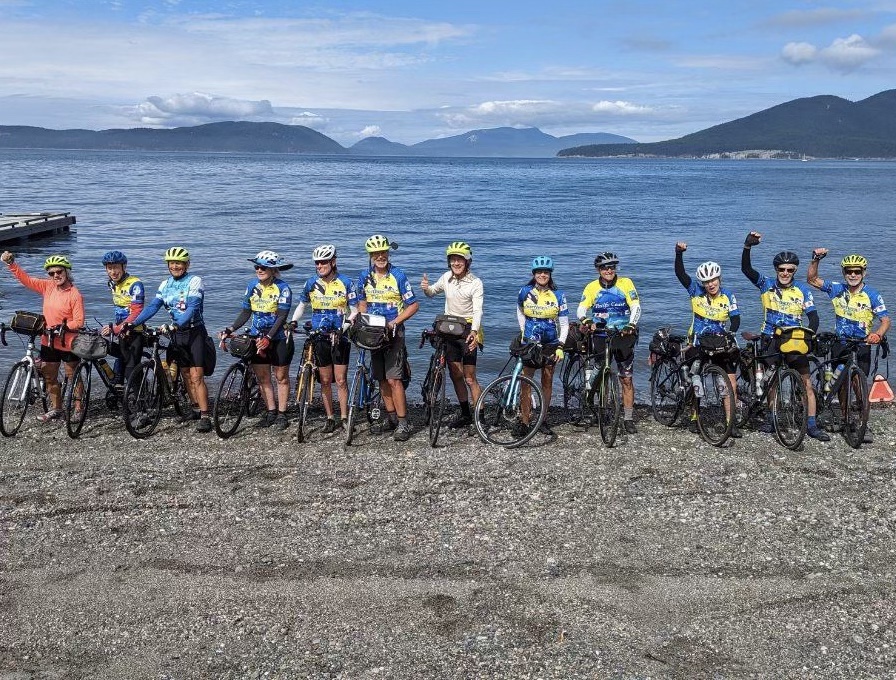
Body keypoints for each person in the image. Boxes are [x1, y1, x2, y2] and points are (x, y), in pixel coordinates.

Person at [741, 231, 830, 441]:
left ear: (795, 270)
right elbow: (746, 269)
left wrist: (810, 335)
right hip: (770, 338)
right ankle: (772, 420)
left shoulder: (802, 290)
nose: (785, 273)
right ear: (776, 270)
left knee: (806, 383)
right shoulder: (766, 285)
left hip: (795, 339)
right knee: (772, 381)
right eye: (782, 269)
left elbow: (814, 317)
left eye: (790, 270)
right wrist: (748, 247)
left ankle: (811, 424)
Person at [807, 250, 890, 443]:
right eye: (849, 271)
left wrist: (877, 334)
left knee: (858, 384)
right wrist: (816, 259)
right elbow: (812, 279)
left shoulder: (872, 294)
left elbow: (885, 320)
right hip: (840, 344)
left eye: (857, 272)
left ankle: (862, 422)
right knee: (842, 384)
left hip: (862, 344)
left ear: (864, 273)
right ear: (844, 273)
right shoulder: (838, 289)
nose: (853, 275)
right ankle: (846, 420)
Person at [129, 247, 213, 433]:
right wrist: (133, 323)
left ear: (186, 264)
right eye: (172, 263)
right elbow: (152, 307)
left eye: (179, 263)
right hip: (177, 335)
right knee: (184, 374)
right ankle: (195, 408)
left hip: (194, 333)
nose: (175, 266)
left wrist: (176, 325)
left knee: (196, 376)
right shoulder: (164, 285)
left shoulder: (194, 281)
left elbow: (192, 308)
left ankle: (206, 415)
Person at [1, 251, 84, 422]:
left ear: (67, 272)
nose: (55, 276)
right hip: (49, 341)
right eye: (51, 273)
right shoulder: (47, 287)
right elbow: (27, 280)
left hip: (68, 342)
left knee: (72, 375)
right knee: (49, 376)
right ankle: (57, 409)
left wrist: (63, 327)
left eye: (59, 272)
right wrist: (11, 265)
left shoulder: (74, 293)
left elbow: (79, 321)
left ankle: (78, 408)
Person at [355, 234, 419, 442]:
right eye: (376, 253)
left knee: (394, 379)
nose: (380, 256)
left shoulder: (398, 276)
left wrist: (395, 322)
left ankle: (403, 422)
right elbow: (361, 302)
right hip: (372, 334)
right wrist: (361, 320)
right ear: (371, 256)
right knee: (380, 378)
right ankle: (390, 418)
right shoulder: (364, 276)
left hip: (393, 334)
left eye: (383, 252)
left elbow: (413, 305)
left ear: (388, 253)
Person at [221, 250, 294, 430]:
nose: (259, 270)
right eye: (257, 266)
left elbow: (282, 317)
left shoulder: (283, 288)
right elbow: (246, 312)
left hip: (277, 338)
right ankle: (271, 411)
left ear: (273, 269)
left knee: (281, 377)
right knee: (263, 377)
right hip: (256, 337)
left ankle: (282, 414)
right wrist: (230, 329)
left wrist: (269, 337)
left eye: (263, 267)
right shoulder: (252, 285)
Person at [674, 242, 742, 437]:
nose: (710, 284)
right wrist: (678, 253)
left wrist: (733, 332)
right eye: (707, 282)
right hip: (697, 340)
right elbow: (680, 274)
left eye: (713, 280)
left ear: (719, 278)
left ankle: (731, 421)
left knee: (730, 383)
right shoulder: (695, 290)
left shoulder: (728, 295)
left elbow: (735, 318)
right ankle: (695, 416)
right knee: (696, 381)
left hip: (721, 341)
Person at [291, 244, 357, 433]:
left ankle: (344, 417)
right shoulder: (311, 283)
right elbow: (302, 305)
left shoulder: (345, 282)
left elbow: (354, 312)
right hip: (319, 336)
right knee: (326, 380)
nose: (319, 266)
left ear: (333, 262)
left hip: (340, 336)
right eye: (317, 263)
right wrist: (293, 322)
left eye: (323, 262)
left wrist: (342, 328)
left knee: (341, 380)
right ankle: (330, 417)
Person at [420, 241, 484, 429]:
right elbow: (432, 293)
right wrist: (425, 287)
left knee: (469, 377)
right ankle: (465, 414)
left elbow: (478, 310)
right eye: (453, 260)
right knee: (456, 375)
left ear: (467, 262)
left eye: (460, 260)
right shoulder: (446, 277)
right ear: (449, 262)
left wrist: (474, 331)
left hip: (468, 329)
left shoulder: (475, 282)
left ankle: (479, 417)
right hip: (449, 329)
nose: (456, 263)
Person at [577, 252, 641, 434]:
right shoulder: (591, 287)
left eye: (612, 267)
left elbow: (636, 306)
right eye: (605, 267)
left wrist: (632, 324)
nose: (609, 270)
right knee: (599, 370)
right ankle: (592, 398)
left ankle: (628, 418)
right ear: (598, 269)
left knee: (626, 378)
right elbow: (581, 309)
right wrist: (586, 321)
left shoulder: (625, 283)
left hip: (623, 334)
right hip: (600, 334)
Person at [516, 256, 568, 435]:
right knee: (526, 382)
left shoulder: (559, 295)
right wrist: (524, 331)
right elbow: (520, 311)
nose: (542, 275)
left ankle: (543, 420)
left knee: (547, 381)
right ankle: (524, 421)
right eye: (539, 272)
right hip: (530, 342)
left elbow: (565, 324)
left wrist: (561, 346)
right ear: (534, 274)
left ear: (550, 274)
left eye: (546, 272)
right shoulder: (525, 291)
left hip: (551, 343)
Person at [99, 250, 145, 387]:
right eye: (110, 268)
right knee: (107, 349)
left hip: (134, 331)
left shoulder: (135, 284)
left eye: (116, 267)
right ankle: (118, 386)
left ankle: (140, 403)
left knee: (131, 370)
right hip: (121, 331)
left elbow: (137, 311)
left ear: (124, 267)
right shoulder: (112, 284)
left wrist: (117, 328)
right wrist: (116, 328)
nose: (113, 272)